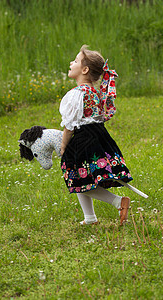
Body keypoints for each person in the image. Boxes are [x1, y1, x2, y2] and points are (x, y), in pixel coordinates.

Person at [59, 45, 133, 225]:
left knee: (77, 178)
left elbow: (70, 126)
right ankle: (90, 217)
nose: (71, 62)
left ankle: (117, 201)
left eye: (75, 61)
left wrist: (63, 147)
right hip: (99, 137)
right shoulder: (96, 92)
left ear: (84, 70)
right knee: (83, 177)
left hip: (83, 139)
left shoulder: (76, 94)